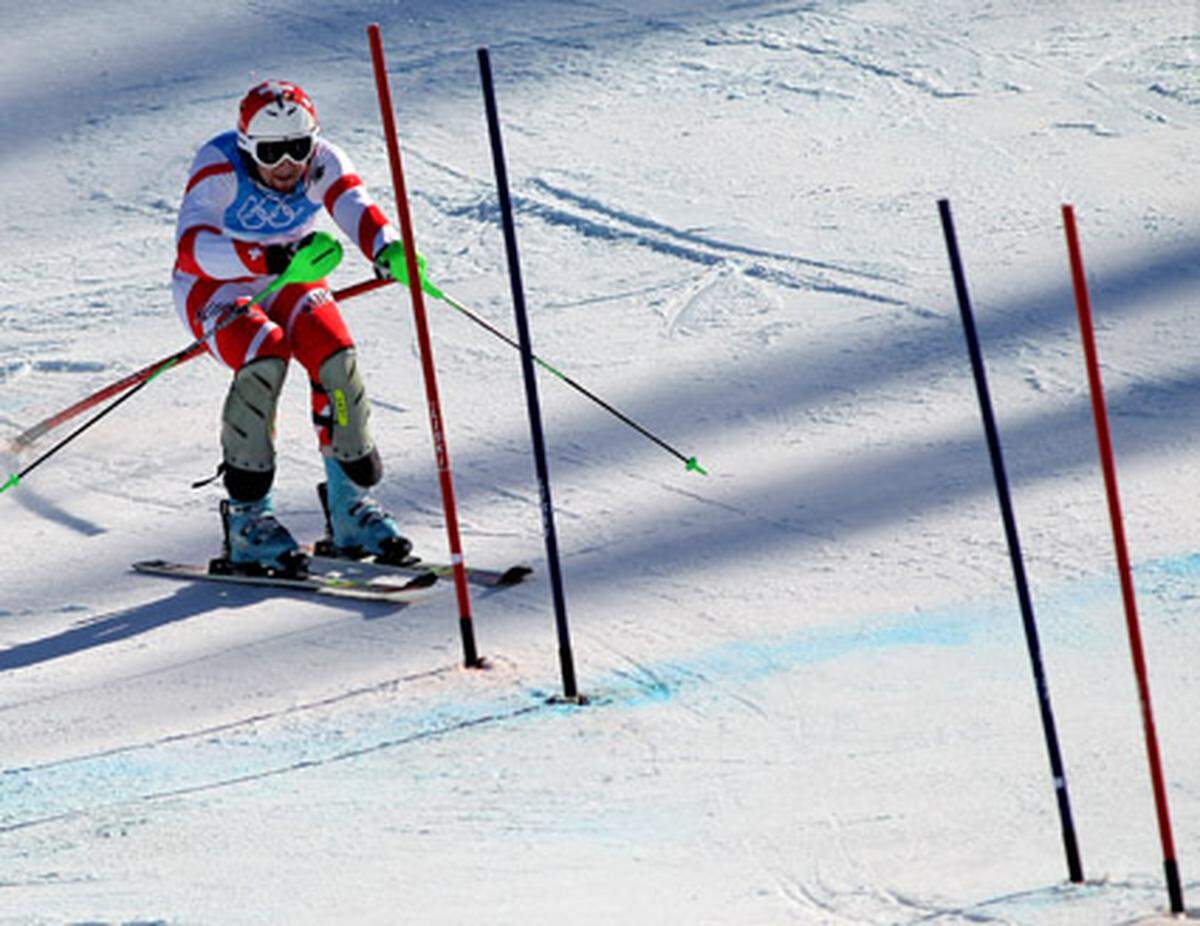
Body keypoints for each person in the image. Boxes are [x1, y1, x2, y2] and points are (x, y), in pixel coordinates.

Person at [173, 79, 420, 575]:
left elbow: (357, 207)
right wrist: (267, 255)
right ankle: (248, 522)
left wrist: (387, 249)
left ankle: (350, 509)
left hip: (291, 276)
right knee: (266, 357)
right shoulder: (219, 165)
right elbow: (190, 247)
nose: (287, 164)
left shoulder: (325, 161)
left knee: (336, 359)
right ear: (248, 148)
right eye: (271, 151)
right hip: (213, 286)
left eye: (297, 147)